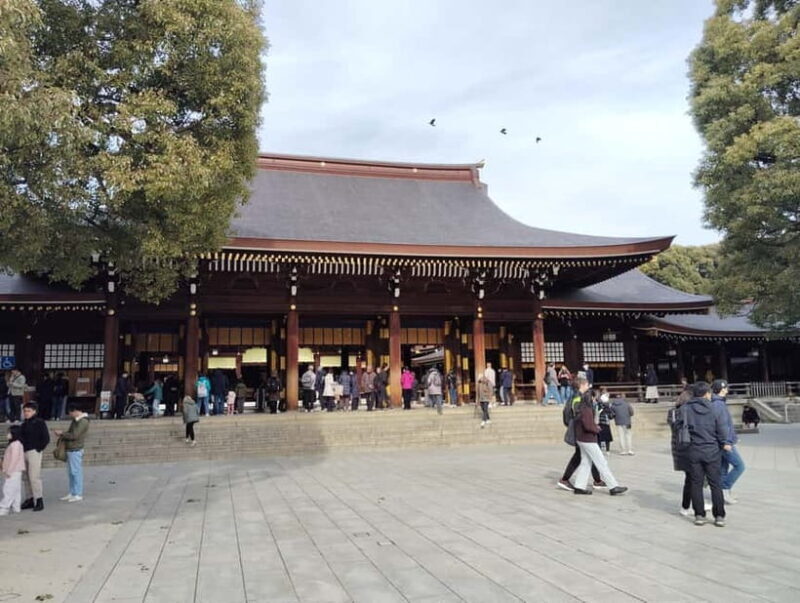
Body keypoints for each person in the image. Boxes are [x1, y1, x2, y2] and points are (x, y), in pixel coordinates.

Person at [682, 381, 730, 527]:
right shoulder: (714, 408)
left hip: (694, 450)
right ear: (707, 393)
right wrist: (725, 442)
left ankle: (699, 515)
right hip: (712, 450)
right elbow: (722, 429)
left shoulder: (686, 409)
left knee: (696, 484)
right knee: (715, 484)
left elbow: (681, 428)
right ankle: (719, 515)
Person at [570, 376, 627, 496]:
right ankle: (613, 486)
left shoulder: (581, 404)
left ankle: (579, 486)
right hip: (588, 438)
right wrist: (596, 428)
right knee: (601, 462)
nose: (595, 400)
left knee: (586, 462)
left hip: (582, 437)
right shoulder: (585, 407)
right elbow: (587, 424)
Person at [711, 380, 745, 505]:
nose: (727, 390)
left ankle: (723, 493)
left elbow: (726, 425)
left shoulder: (718, 403)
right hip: (724, 443)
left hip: (723, 441)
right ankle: (725, 487)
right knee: (739, 466)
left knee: (723, 468)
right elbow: (722, 426)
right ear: (721, 389)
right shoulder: (718, 404)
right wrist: (727, 441)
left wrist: (733, 437)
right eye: (725, 388)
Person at [54, 404, 89, 502]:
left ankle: (78, 493)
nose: (70, 415)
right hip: (71, 448)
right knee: (71, 473)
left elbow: (75, 435)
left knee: (76, 472)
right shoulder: (76, 420)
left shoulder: (83, 421)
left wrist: (62, 434)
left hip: (76, 448)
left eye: (71, 413)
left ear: (75, 411)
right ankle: (72, 492)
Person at [20, 402, 49, 512]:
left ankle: (39, 499)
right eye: (25, 411)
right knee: (26, 477)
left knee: (34, 477)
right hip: (24, 452)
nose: (26, 413)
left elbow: (46, 438)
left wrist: (38, 448)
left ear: (34, 411)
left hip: (34, 452)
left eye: (28, 411)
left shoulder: (40, 423)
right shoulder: (24, 424)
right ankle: (30, 498)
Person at [0, 425, 25, 515]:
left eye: (9, 432)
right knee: (16, 489)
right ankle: (16, 507)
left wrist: (9, 471)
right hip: (16, 470)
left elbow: (14, 459)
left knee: (8, 488)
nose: (7, 434)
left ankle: (4, 507)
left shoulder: (15, 444)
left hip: (13, 470)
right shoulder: (16, 444)